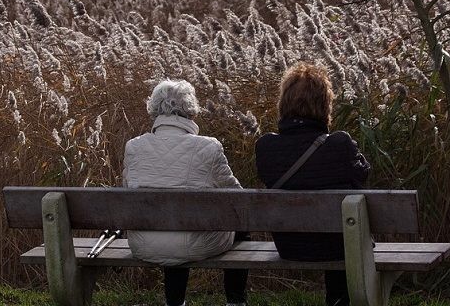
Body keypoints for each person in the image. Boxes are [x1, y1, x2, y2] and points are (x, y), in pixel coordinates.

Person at [123, 79, 249, 306]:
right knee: (238, 225)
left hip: (144, 243)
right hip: (195, 243)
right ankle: (236, 302)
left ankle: (174, 302)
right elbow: (237, 197)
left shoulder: (134, 146)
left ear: (154, 108)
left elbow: (127, 190)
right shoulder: (209, 147)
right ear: (190, 108)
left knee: (172, 222)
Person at [255, 63, 371, 306]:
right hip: (340, 247)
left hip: (289, 245)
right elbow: (362, 175)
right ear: (325, 104)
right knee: (342, 224)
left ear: (283, 103)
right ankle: (338, 299)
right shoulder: (339, 144)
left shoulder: (265, 146)